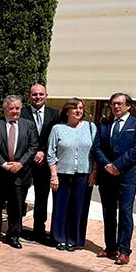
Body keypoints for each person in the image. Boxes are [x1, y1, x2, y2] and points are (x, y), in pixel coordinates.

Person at [92, 93, 136, 265]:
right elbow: (96, 148)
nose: (116, 107)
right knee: (108, 213)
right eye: (113, 104)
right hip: (106, 176)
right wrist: (107, 165)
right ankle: (110, 247)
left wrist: (117, 166)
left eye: (119, 104)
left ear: (128, 106)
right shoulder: (104, 125)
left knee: (125, 213)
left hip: (127, 176)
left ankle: (124, 251)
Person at [0, 95, 38, 249]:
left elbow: (33, 147)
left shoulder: (28, 125)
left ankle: (14, 235)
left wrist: (20, 164)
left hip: (20, 174)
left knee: (16, 206)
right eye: (12, 108)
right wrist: (3, 164)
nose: (15, 111)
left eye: (18, 108)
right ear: (5, 109)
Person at [48, 98, 97, 252]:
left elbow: (96, 151)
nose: (78, 111)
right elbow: (51, 153)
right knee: (61, 208)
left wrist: (94, 172)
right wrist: (53, 176)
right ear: (67, 111)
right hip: (62, 174)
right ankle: (60, 238)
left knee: (79, 208)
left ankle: (75, 239)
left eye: (81, 108)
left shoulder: (90, 127)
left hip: (84, 175)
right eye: (74, 108)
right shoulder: (58, 129)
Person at [20, 83, 59, 243]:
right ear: (29, 96)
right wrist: (33, 151)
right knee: (19, 196)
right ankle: (16, 229)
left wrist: (43, 150)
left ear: (46, 95)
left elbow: (55, 137)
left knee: (42, 198)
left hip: (44, 164)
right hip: (26, 162)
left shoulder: (55, 114)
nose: (38, 97)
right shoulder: (21, 112)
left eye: (41, 94)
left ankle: (39, 231)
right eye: (34, 94)